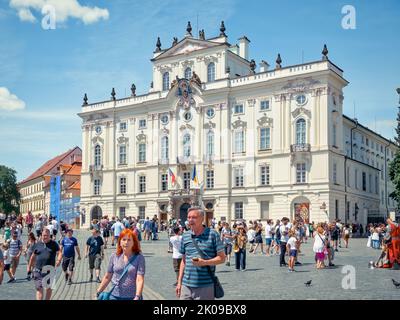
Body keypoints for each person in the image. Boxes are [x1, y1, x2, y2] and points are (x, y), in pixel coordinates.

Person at [176, 207, 225, 300]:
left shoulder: (212, 234)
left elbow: (222, 258)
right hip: (186, 285)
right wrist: (179, 282)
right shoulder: (185, 235)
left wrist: (205, 262)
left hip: (205, 286)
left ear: (202, 218)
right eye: (189, 217)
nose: (190, 220)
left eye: (194, 217)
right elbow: (183, 261)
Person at [96, 228, 145, 300]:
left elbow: (139, 279)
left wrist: (137, 296)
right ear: (120, 242)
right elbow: (107, 276)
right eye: (124, 240)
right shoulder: (114, 256)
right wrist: (98, 292)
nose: (126, 242)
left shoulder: (139, 257)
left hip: (131, 296)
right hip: (114, 296)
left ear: (133, 242)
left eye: (129, 240)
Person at [28, 228, 61, 300]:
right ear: (41, 235)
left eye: (47, 235)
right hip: (38, 270)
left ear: (50, 236)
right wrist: (29, 268)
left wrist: (58, 260)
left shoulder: (54, 244)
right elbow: (32, 257)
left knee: (49, 289)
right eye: (43, 235)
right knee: (39, 289)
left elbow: (59, 252)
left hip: (50, 270)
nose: (45, 237)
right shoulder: (37, 244)